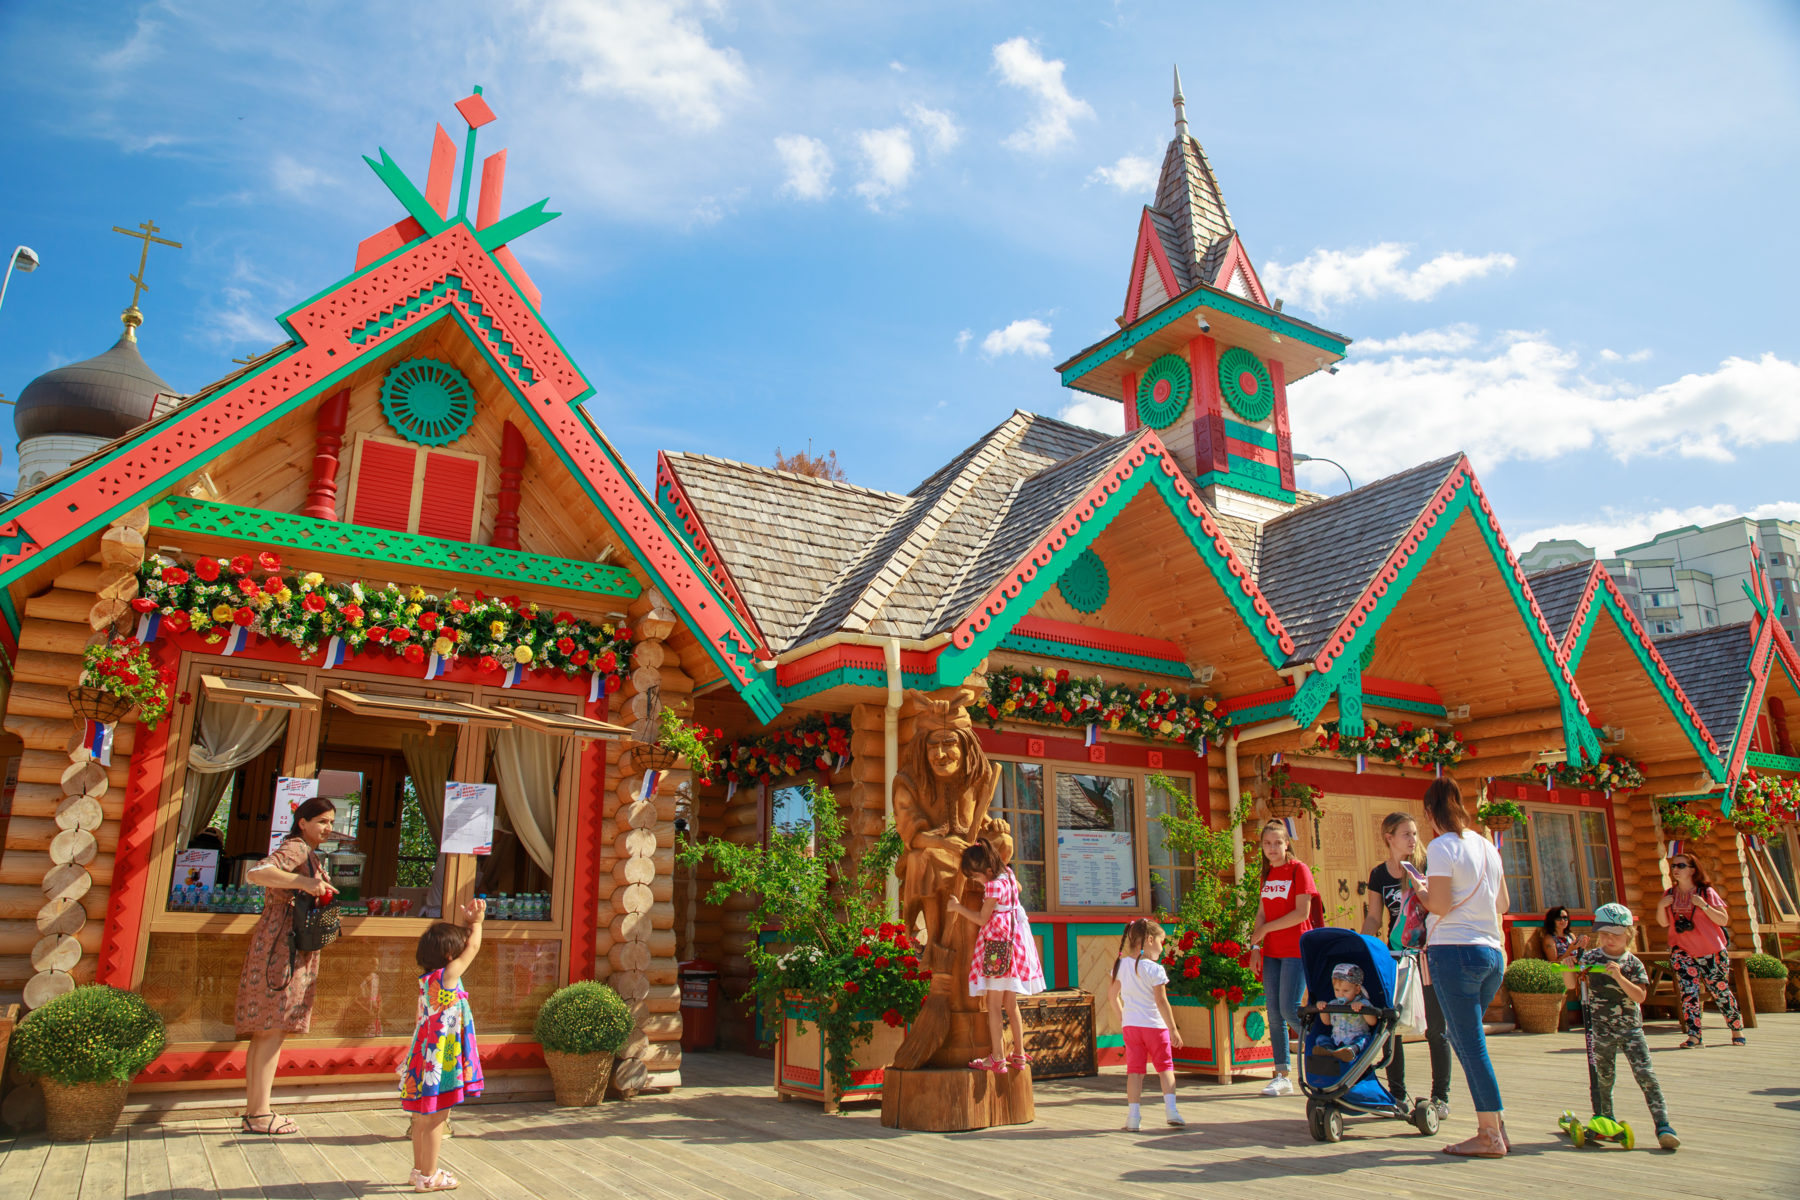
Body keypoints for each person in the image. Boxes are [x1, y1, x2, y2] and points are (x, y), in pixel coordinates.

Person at [235, 796, 338, 1136]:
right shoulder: (297, 849)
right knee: (274, 1029)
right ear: (302, 823)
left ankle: (255, 1111)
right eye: (322, 821)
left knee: (266, 1030)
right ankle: (261, 1113)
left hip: (277, 941)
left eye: (331, 822)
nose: (328, 828)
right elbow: (257, 873)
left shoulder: (304, 851)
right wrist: (305, 882)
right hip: (283, 947)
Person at [1418, 779, 1510, 1158]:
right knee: (1466, 1040)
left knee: (1470, 1044)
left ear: (1430, 814)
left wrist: (1419, 887)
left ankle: (1489, 1133)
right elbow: (1502, 903)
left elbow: (1437, 905)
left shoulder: (1441, 847)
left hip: (1454, 951)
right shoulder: (1489, 846)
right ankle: (1496, 1124)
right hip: (1492, 953)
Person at [1362, 811, 1453, 1117]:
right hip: (1397, 956)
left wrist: (1417, 882)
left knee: (1436, 1028)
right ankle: (1396, 1095)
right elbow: (1375, 916)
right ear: (1389, 838)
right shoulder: (1380, 874)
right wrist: (1365, 947)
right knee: (1393, 1026)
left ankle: (1440, 1097)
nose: (1413, 840)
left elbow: (1439, 905)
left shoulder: (1427, 866)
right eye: (1406, 834)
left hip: (1429, 953)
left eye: (1415, 834)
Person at [1575, 903, 1679, 1150]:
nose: (1609, 939)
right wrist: (1570, 968)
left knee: (1645, 1075)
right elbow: (1573, 983)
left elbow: (1640, 997)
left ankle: (1663, 1125)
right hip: (1601, 1030)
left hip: (1631, 1029)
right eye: (1604, 934)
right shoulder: (1591, 958)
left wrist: (1619, 977)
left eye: (1615, 934)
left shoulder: (1633, 963)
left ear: (1629, 935)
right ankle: (1605, 1121)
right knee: (1603, 1078)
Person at [400, 900, 486, 1191]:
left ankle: (419, 1170)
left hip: (424, 1058)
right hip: (442, 1061)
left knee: (421, 1119)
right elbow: (473, 947)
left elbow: (418, 1020)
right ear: (450, 956)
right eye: (458, 952)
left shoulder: (426, 981)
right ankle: (430, 1176)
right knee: (437, 1118)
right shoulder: (448, 977)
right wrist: (476, 923)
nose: (465, 954)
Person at [947, 840, 1045, 1072]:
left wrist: (958, 908)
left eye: (977, 877)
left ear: (988, 871)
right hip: (1014, 945)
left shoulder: (992, 886)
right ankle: (1019, 1054)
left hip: (996, 948)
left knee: (993, 1005)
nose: (978, 883)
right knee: (1011, 1004)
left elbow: (982, 918)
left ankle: (998, 1057)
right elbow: (1018, 891)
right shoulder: (1009, 875)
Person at [1248, 818, 1316, 1097]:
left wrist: (1265, 930)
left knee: (1289, 1009)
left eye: (1278, 842)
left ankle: (1323, 1048)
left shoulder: (1298, 870)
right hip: (1272, 951)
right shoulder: (1267, 875)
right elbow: (1262, 913)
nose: (1272, 848)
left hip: (1295, 949)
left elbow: (1302, 913)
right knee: (1274, 1014)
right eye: (1267, 843)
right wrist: (1255, 945)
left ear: (1287, 844)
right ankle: (1281, 1074)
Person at [1655, 852, 1746, 1048]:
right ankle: (1694, 1037)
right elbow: (1663, 923)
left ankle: (1736, 1029)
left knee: (1720, 991)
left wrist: (1703, 906)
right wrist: (1660, 907)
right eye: (1673, 866)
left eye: (1681, 866)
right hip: (1682, 950)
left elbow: (1723, 920)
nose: (1676, 870)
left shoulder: (1706, 893)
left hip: (1710, 950)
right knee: (1688, 993)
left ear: (1693, 869)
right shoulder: (1669, 894)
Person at [1106, 918, 1185, 1131]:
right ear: (1149, 940)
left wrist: (1124, 1019)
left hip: (1131, 1027)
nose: (1162, 946)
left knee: (1134, 1071)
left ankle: (1133, 1117)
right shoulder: (1155, 969)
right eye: (1161, 941)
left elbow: (1112, 997)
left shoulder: (1121, 965)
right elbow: (1161, 1001)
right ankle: (1172, 1111)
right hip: (1155, 1026)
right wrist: (1173, 1028)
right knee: (1165, 1067)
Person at [1527, 905, 1587, 1031]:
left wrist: (1581, 948)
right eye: (1559, 918)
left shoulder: (1570, 936)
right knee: (1583, 979)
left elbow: (1579, 955)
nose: (1563, 921)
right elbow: (1554, 962)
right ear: (1552, 920)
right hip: (1562, 969)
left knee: (1590, 975)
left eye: (1565, 918)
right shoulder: (1549, 939)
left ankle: (1589, 1014)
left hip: (1576, 967)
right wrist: (1569, 950)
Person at [1308, 963, 1377, 1063]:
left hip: (1355, 1039)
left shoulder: (1363, 1003)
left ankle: (1350, 1051)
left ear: (1357, 989)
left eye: (1345, 990)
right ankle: (1328, 1051)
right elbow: (1327, 1022)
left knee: (1364, 1039)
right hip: (1336, 1042)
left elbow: (1372, 1022)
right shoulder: (1333, 1004)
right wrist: (1323, 1009)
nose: (1340, 994)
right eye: (1337, 990)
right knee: (1320, 1038)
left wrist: (1363, 1009)